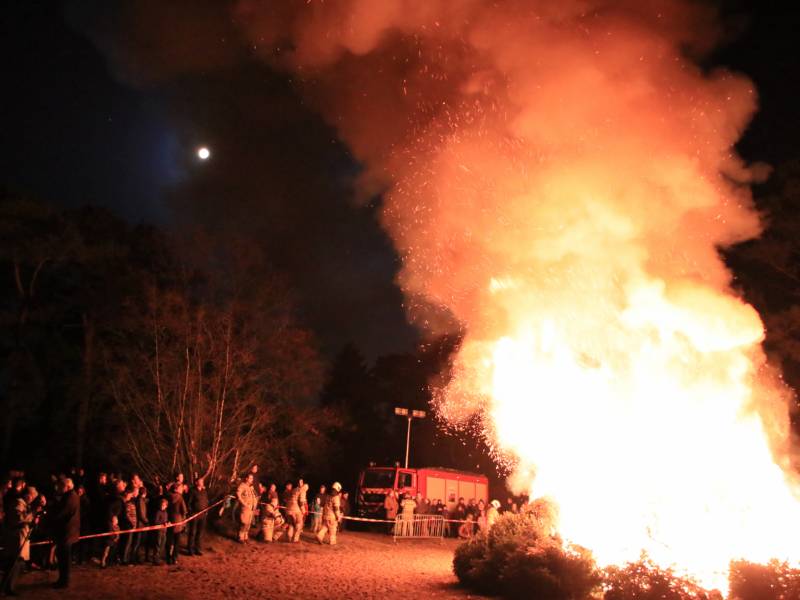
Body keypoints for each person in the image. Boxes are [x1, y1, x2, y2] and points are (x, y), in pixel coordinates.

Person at [1, 486, 43, 595]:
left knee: (17, 563)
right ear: (28, 495)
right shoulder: (18, 504)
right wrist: (33, 513)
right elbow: (18, 519)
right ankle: (7, 588)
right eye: (32, 497)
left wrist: (34, 518)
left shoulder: (24, 504)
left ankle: (8, 587)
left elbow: (26, 519)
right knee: (14, 563)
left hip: (21, 536)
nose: (33, 499)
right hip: (16, 538)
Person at [50, 478, 80, 589]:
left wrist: (51, 515)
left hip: (67, 532)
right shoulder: (71, 496)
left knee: (64, 558)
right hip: (68, 531)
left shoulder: (70, 497)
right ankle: (62, 580)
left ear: (66, 486)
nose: (58, 489)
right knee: (63, 557)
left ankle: (64, 581)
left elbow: (62, 513)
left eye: (60, 486)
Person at [166, 484, 187, 564]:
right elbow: (184, 510)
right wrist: (184, 521)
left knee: (169, 541)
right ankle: (175, 558)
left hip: (169, 521)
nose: (182, 490)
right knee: (176, 541)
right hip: (178, 522)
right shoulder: (180, 498)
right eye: (180, 488)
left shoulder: (168, 496)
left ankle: (168, 558)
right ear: (176, 489)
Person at [187, 476, 209, 555]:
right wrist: (191, 512)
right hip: (195, 514)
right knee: (192, 532)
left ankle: (197, 548)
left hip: (203, 515)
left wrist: (206, 510)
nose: (202, 482)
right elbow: (188, 503)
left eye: (202, 481)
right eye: (200, 481)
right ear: (196, 483)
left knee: (200, 532)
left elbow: (206, 501)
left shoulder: (204, 491)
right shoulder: (192, 491)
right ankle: (190, 549)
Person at [235, 473, 257, 544]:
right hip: (245, 508)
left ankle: (245, 537)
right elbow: (238, 495)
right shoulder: (242, 486)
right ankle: (240, 537)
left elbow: (255, 496)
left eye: (252, 478)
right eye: (250, 478)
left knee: (248, 524)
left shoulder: (251, 487)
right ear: (246, 478)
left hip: (251, 508)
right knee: (244, 523)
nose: (251, 480)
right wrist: (244, 503)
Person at [150, 498, 169, 565]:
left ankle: (159, 558)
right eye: (161, 505)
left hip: (164, 531)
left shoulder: (165, 512)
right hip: (159, 531)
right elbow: (156, 521)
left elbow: (165, 520)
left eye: (164, 505)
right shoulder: (158, 512)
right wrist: (163, 523)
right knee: (157, 545)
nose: (162, 506)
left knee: (162, 544)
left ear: (166, 506)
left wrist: (167, 523)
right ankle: (155, 559)